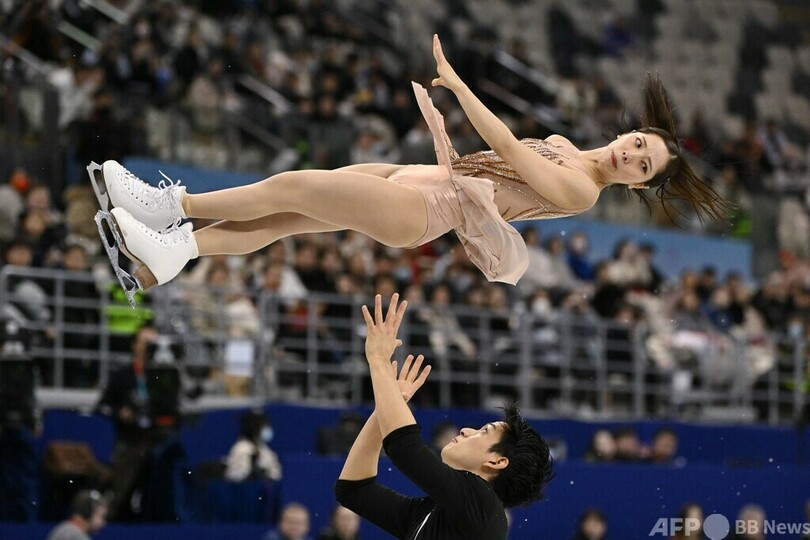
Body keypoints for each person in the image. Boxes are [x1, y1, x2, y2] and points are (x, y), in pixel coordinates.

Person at [92, 34, 731, 296]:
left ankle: (169, 207)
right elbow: (490, 162)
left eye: (642, 167)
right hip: (419, 178)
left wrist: (458, 85)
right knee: (284, 218)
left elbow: (509, 152)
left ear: (638, 186)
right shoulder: (565, 141)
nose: (631, 155)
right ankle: (167, 258)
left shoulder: (584, 190)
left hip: (425, 208)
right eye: (639, 144)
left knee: (289, 186)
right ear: (632, 130)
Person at [334, 294, 554, 539]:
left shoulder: (484, 506)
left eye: (484, 431)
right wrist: (387, 405)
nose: (466, 430)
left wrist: (379, 360)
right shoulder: (440, 511)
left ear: (497, 461)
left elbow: (405, 450)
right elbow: (354, 490)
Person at [224, 409, 282, 482]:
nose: (268, 430)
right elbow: (235, 476)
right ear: (255, 428)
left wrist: (267, 473)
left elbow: (276, 474)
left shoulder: (264, 449)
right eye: (265, 427)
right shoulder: (242, 448)